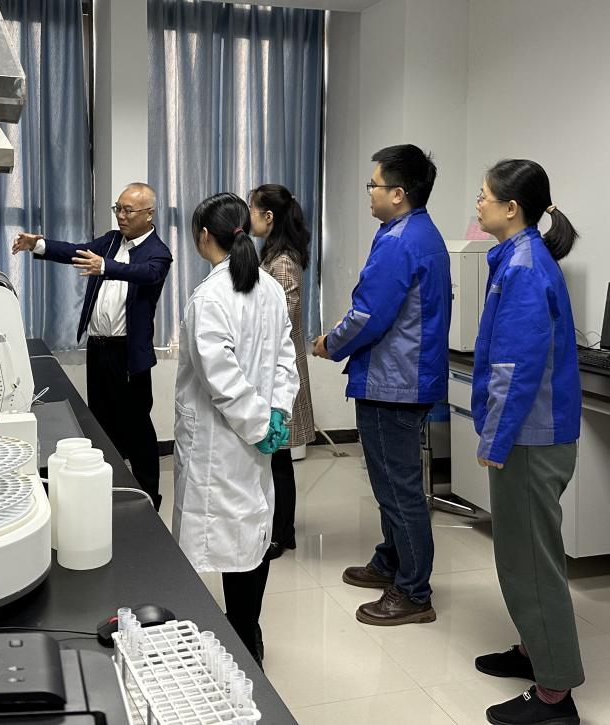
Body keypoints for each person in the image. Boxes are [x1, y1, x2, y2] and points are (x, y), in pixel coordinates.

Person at [312, 144, 450, 626]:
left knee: (398, 488)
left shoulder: (399, 242)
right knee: (391, 483)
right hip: (403, 376)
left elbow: (369, 315)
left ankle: (413, 592)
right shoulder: (417, 232)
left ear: (398, 193)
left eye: (374, 184)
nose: (369, 192)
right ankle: (391, 561)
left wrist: (330, 343)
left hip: (394, 382)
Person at [470, 159, 583, 725]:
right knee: (521, 555)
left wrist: (494, 440)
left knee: (533, 564)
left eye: (484, 197)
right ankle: (533, 650)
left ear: (511, 208)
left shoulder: (523, 267)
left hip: (530, 440)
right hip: (533, 433)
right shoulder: (519, 258)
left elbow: (514, 369)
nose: (477, 204)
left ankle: (556, 695)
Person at [172, 192, 299, 665]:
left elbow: (221, 380)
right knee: (249, 538)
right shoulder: (268, 287)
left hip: (221, 442)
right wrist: (275, 414)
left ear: (204, 236)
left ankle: (241, 641)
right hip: (252, 437)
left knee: (230, 540)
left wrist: (265, 420)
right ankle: (247, 631)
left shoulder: (209, 298)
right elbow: (286, 360)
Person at [12, 183, 172, 510]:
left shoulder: (158, 251)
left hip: (128, 354)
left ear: (149, 214)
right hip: (99, 349)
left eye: (128, 210)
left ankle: (148, 498)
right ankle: (108, 490)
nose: (121, 215)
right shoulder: (111, 241)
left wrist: (106, 267)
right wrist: (38, 245)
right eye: (118, 208)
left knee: (137, 429)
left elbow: (145, 274)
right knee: (101, 423)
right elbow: (76, 251)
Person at [249, 184, 316, 561]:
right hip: (274, 365)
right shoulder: (272, 255)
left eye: (253, 210)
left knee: (279, 457)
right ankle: (279, 527)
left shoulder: (283, 262)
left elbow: (284, 319)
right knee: (276, 455)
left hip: (281, 369)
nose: (249, 217)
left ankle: (283, 533)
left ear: (269, 217)